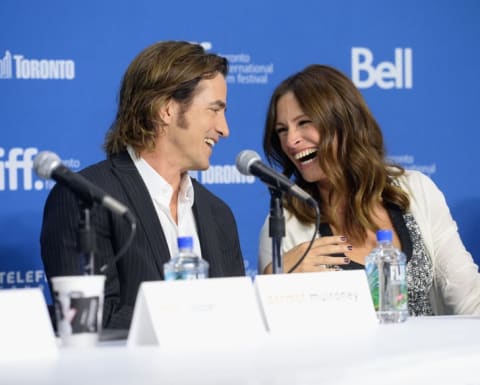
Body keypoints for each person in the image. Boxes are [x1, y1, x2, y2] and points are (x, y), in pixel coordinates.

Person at [41, 41, 245, 330]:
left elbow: (235, 316)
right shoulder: (84, 199)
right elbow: (91, 319)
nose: (225, 129)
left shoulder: (218, 213)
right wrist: (188, 324)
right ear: (167, 109)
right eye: (214, 110)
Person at [258, 64, 480, 315]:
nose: (290, 141)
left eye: (304, 123)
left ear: (344, 123)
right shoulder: (284, 224)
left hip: (428, 354)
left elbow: (470, 298)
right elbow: (280, 331)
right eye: (282, 130)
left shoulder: (416, 190)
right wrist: (272, 282)